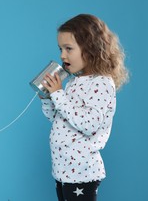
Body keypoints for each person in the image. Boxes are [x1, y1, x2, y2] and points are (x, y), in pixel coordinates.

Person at [40, 14, 128, 201]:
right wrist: (48, 99)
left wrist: (58, 94)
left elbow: (88, 124)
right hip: (62, 169)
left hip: (81, 172)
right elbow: (59, 119)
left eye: (69, 49)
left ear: (90, 49)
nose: (62, 55)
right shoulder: (74, 82)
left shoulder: (102, 83)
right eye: (61, 49)